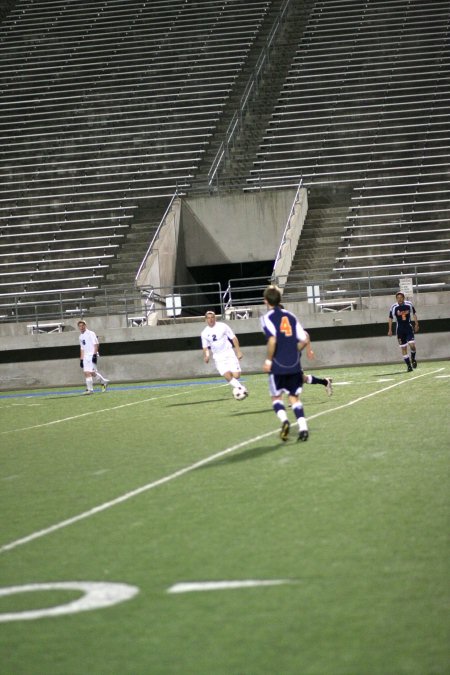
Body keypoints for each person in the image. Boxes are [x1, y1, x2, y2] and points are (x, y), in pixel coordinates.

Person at [261, 285, 310, 442]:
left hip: (278, 365)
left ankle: (285, 421)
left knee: (276, 398)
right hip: (294, 364)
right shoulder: (291, 315)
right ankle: (303, 429)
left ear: (266, 301)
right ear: (280, 300)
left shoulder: (266, 318)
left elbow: (272, 340)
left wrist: (269, 360)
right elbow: (304, 339)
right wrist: (294, 351)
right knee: (294, 397)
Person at [201, 310, 248, 398]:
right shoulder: (204, 333)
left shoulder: (223, 326)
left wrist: (238, 351)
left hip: (228, 352)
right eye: (208, 318)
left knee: (236, 375)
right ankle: (241, 389)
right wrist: (207, 355)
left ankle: (240, 388)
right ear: (206, 319)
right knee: (227, 375)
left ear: (215, 318)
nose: (210, 320)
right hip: (218, 357)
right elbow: (205, 347)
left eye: (212, 317)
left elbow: (233, 338)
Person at [388, 291, 419, 372]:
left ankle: (413, 358)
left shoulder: (409, 304)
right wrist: (390, 329)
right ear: (396, 299)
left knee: (412, 345)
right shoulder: (394, 307)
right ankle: (409, 366)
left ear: (404, 298)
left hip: (408, 328)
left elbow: (414, 314)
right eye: (398, 298)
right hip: (400, 330)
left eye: (401, 297)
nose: (400, 299)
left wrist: (416, 324)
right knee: (404, 348)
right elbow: (390, 318)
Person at [78, 320, 110, 394]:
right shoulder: (80, 337)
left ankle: (103, 381)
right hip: (85, 357)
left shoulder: (91, 333)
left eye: (83, 325)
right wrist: (81, 359)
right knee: (86, 372)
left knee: (92, 372)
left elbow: (96, 344)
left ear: (85, 326)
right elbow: (82, 348)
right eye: (80, 326)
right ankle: (90, 390)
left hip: (92, 355)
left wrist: (94, 355)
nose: (81, 327)